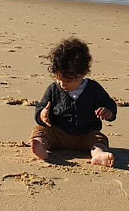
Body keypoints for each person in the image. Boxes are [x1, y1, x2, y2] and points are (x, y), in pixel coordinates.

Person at [31, 37, 117, 167]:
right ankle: (40, 146)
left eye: (67, 81)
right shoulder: (54, 89)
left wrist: (108, 112)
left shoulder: (94, 89)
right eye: (59, 79)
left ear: (82, 74)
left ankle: (99, 154)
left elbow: (109, 104)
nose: (62, 84)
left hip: (85, 135)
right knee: (40, 131)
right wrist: (42, 114)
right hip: (57, 133)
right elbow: (41, 107)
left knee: (98, 139)